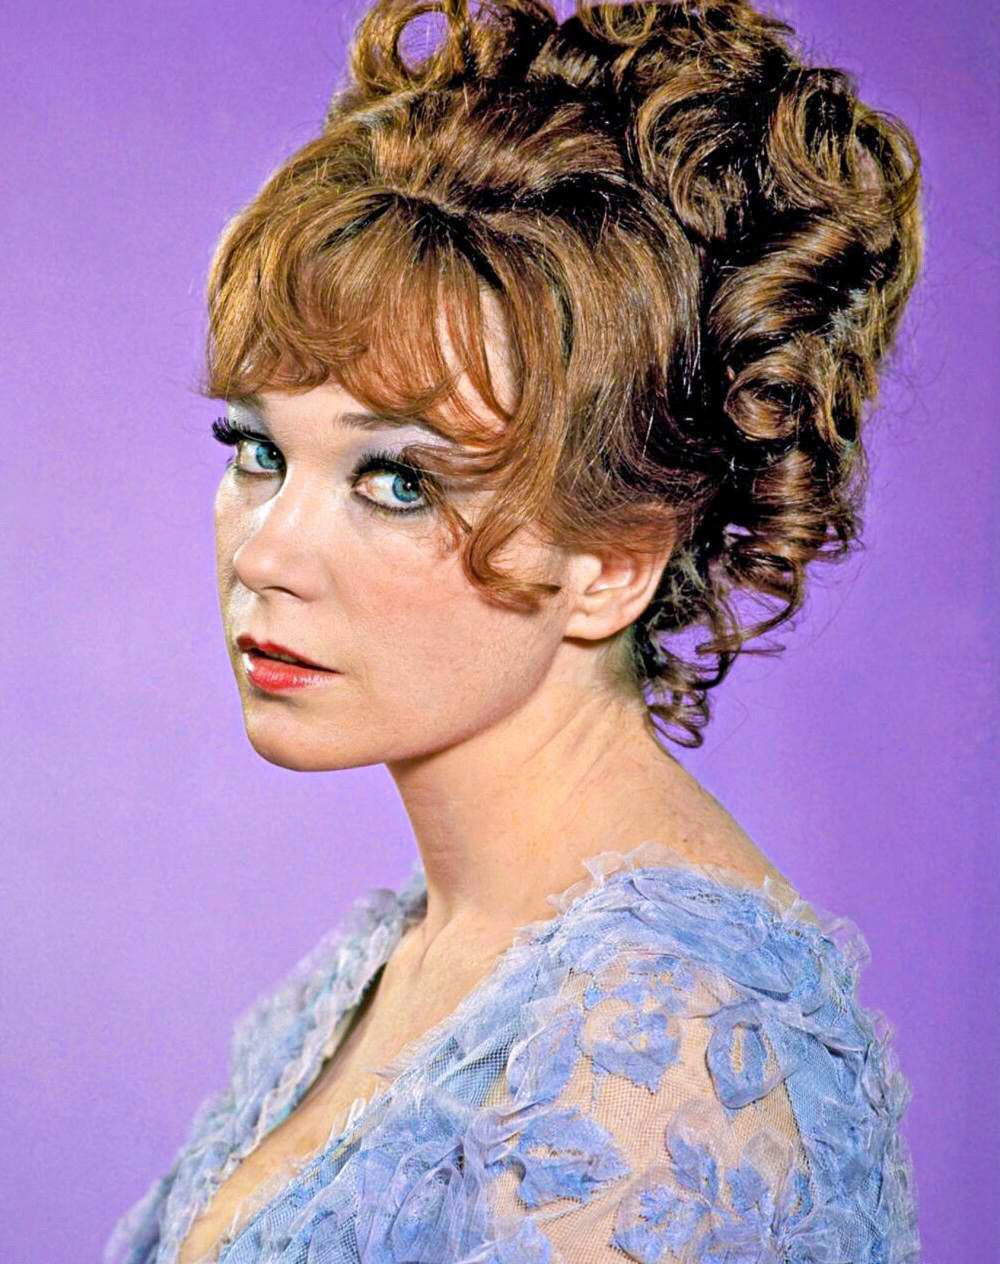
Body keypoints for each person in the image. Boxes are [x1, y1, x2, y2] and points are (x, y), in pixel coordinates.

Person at [103, 0, 924, 1260]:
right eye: (258, 450)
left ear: (613, 561)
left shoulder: (668, 1062)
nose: (263, 554)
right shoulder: (400, 956)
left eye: (397, 480)